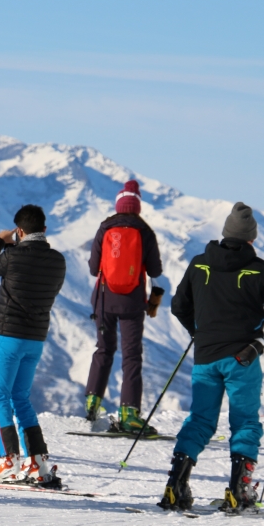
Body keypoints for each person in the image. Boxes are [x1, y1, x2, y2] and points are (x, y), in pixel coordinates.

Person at [160, 202, 264, 514]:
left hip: (205, 356)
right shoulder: (259, 269)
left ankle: (175, 485)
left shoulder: (198, 264)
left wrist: (198, 331)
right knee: (245, 420)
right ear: (251, 238)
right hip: (242, 358)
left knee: (200, 419)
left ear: (224, 234)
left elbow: (178, 305)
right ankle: (239, 489)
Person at [0, 204, 66, 485]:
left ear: (20, 231)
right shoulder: (58, 260)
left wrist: (0, 241)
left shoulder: (12, 256)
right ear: (45, 230)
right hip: (36, 339)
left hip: (9, 336)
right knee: (21, 398)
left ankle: (7, 459)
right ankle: (37, 461)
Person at [83, 180, 164, 432]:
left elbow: (93, 267)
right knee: (131, 355)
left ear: (118, 206)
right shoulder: (145, 231)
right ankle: (129, 412)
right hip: (132, 302)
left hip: (104, 299)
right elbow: (156, 270)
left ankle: (92, 403)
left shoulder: (105, 227)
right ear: (137, 207)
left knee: (103, 350)